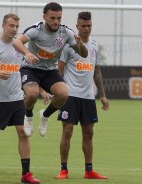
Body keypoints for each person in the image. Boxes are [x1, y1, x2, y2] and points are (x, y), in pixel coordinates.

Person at [0, 14, 40, 184]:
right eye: (11, 26)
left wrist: (41, 90)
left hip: (17, 99)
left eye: (16, 26)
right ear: (3, 25)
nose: (14, 29)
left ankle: (26, 174)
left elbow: (28, 71)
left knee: (23, 133)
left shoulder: (20, 47)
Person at [12, 2, 88, 137]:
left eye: (59, 18)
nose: (56, 21)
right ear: (44, 17)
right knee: (32, 94)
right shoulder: (36, 30)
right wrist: (27, 53)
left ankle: (45, 116)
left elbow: (84, 54)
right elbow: (16, 42)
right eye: (52, 18)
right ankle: (28, 116)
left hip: (49, 70)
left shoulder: (66, 32)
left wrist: (80, 45)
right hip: (31, 68)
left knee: (63, 94)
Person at [56, 12, 109, 179]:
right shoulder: (68, 46)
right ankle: (64, 169)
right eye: (83, 26)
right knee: (67, 131)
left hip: (88, 97)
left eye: (89, 26)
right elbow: (59, 69)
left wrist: (102, 95)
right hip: (70, 96)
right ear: (77, 26)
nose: (87, 29)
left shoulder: (93, 45)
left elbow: (97, 72)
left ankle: (89, 170)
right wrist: (59, 89)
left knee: (88, 134)